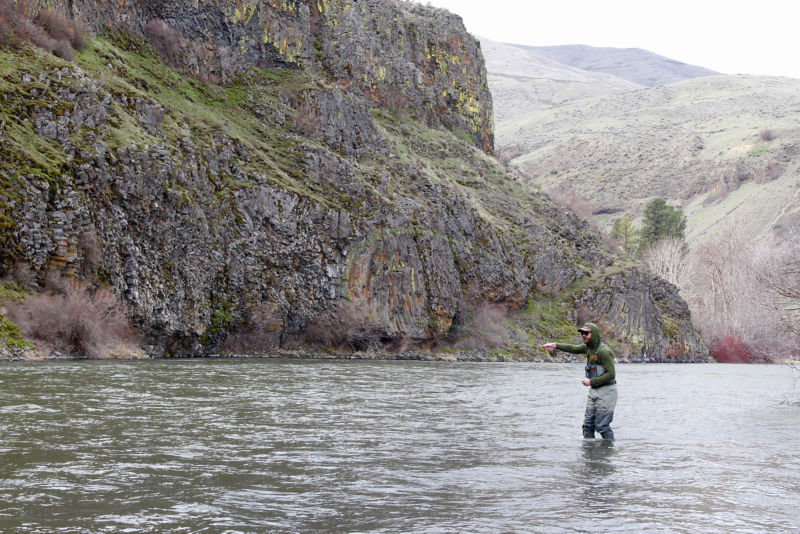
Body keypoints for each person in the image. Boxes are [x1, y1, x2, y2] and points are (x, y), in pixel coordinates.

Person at [542, 322, 618, 440]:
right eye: (582, 333)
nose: (583, 335)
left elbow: (611, 374)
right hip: (594, 392)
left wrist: (591, 382)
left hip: (607, 392)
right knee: (587, 426)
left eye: (586, 333)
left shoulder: (604, 351)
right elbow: (573, 348)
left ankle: (608, 453)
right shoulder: (588, 348)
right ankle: (588, 455)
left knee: (602, 426)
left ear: (594, 334)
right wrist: (554, 345)